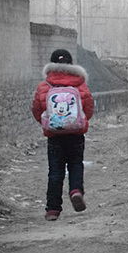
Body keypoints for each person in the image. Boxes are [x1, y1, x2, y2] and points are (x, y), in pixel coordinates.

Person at [31, 48, 95, 221]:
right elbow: (88, 109)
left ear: (51, 65)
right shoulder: (80, 84)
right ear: (71, 65)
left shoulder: (44, 86)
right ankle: (75, 191)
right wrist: (76, 122)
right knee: (75, 164)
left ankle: (53, 209)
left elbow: (37, 110)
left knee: (55, 171)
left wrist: (49, 123)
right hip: (75, 135)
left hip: (54, 136)